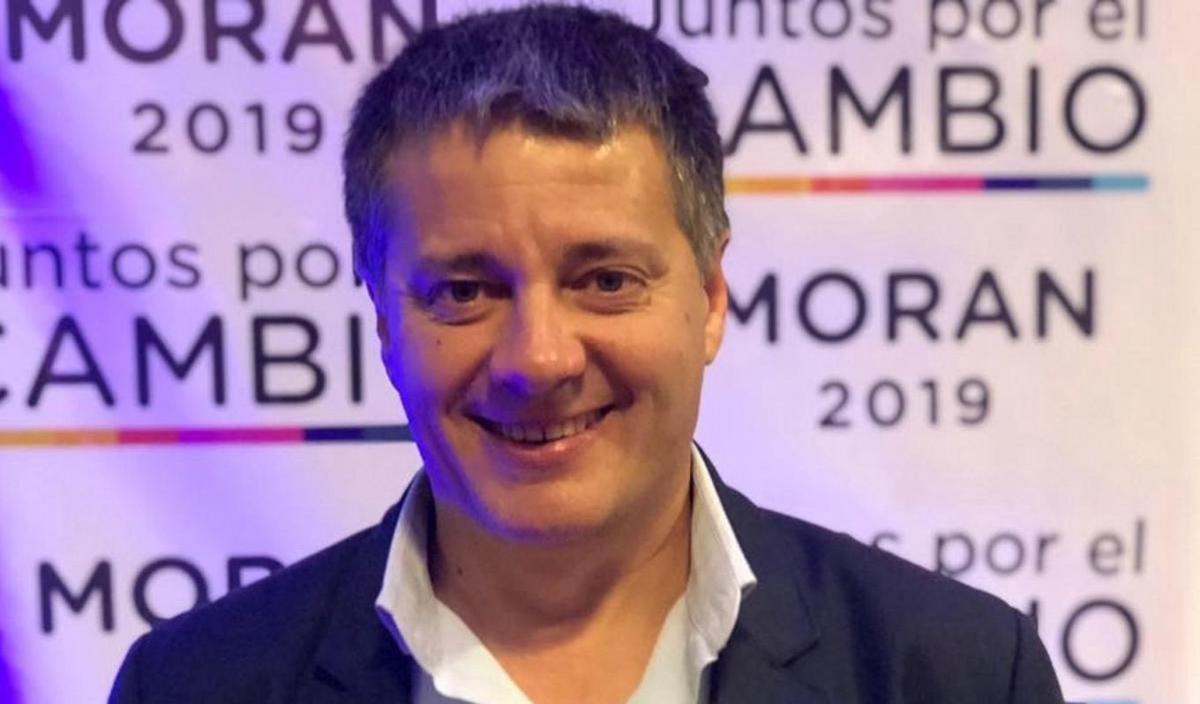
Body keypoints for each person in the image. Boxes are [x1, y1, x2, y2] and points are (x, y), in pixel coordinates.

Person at [109, 5, 1065, 703]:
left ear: (710, 298)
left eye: (605, 279)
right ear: (384, 321)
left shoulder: (955, 673)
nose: (539, 358)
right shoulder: (196, 686)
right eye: (464, 291)